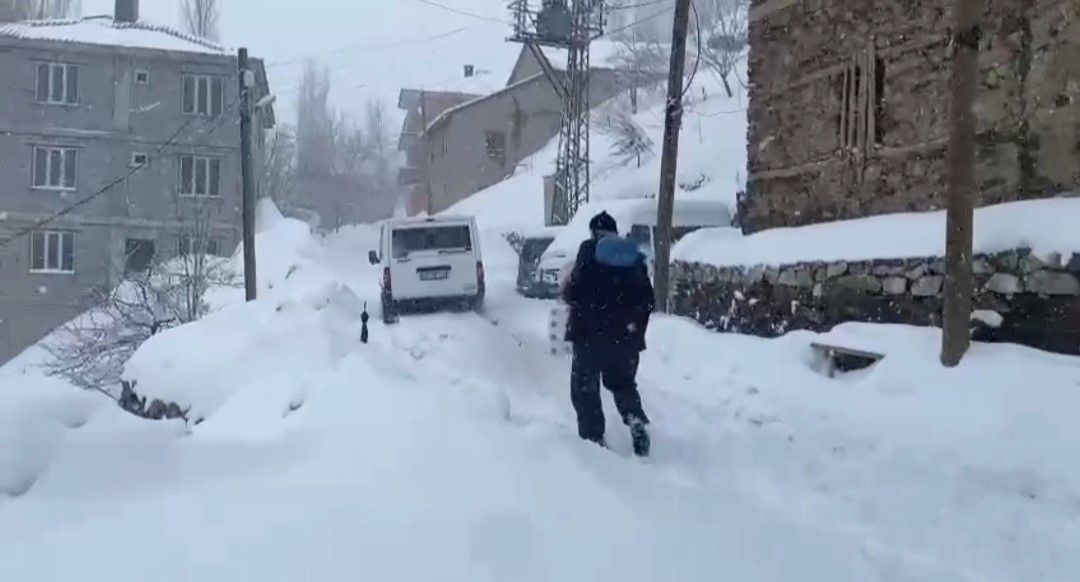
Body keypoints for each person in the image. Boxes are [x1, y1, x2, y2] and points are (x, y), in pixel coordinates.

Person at [561, 211, 654, 456]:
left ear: (593, 232)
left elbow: (575, 291)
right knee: (623, 384)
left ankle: (594, 444)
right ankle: (634, 418)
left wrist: (570, 289)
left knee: (585, 390)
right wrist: (633, 328)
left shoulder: (588, 250)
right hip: (625, 339)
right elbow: (648, 299)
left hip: (589, 337)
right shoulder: (632, 255)